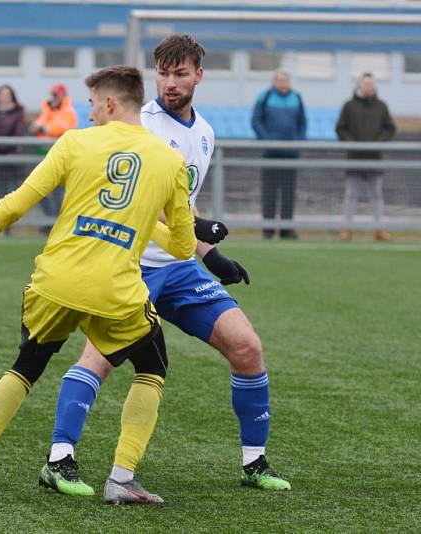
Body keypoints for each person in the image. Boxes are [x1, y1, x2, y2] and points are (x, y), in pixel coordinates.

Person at [42, 34, 291, 498]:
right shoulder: (142, 126)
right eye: (163, 73)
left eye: (180, 74)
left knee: (247, 347)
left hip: (178, 269)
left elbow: (183, 209)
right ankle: (59, 459)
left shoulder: (205, 134)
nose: (170, 83)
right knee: (98, 360)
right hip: (128, 265)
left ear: (199, 75)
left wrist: (209, 255)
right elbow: (144, 204)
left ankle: (253, 462)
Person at [0, 65, 197, 505]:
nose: (89, 111)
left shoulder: (75, 142)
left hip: (54, 282)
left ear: (111, 103)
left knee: (25, 367)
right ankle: (121, 478)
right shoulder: (169, 161)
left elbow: (19, 201)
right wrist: (144, 225)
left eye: (93, 103)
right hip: (114, 291)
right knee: (152, 368)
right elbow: (184, 246)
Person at [335, 73, 396, 241]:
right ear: (360, 86)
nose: (368, 87)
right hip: (354, 157)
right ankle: (347, 229)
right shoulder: (349, 106)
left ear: (374, 86)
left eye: (371, 84)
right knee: (351, 194)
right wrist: (352, 143)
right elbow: (340, 128)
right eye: (365, 84)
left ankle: (378, 229)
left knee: (376, 194)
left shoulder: (381, 106)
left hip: (375, 158)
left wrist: (378, 143)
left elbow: (390, 128)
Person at [252, 70, 306, 240]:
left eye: (286, 80)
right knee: (269, 192)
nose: (283, 83)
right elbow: (256, 120)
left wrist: (298, 143)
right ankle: (268, 229)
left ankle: (286, 229)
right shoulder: (265, 96)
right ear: (274, 82)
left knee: (288, 193)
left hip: (290, 155)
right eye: (280, 80)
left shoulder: (296, 97)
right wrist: (267, 141)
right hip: (270, 154)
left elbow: (302, 123)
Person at [30, 83, 78, 230]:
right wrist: (43, 128)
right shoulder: (48, 109)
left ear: (63, 95)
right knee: (40, 190)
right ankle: (51, 221)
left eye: (56, 94)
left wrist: (44, 129)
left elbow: (63, 128)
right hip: (44, 153)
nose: (54, 97)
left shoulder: (68, 110)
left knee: (58, 192)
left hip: (61, 155)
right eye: (53, 94)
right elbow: (35, 126)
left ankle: (56, 222)